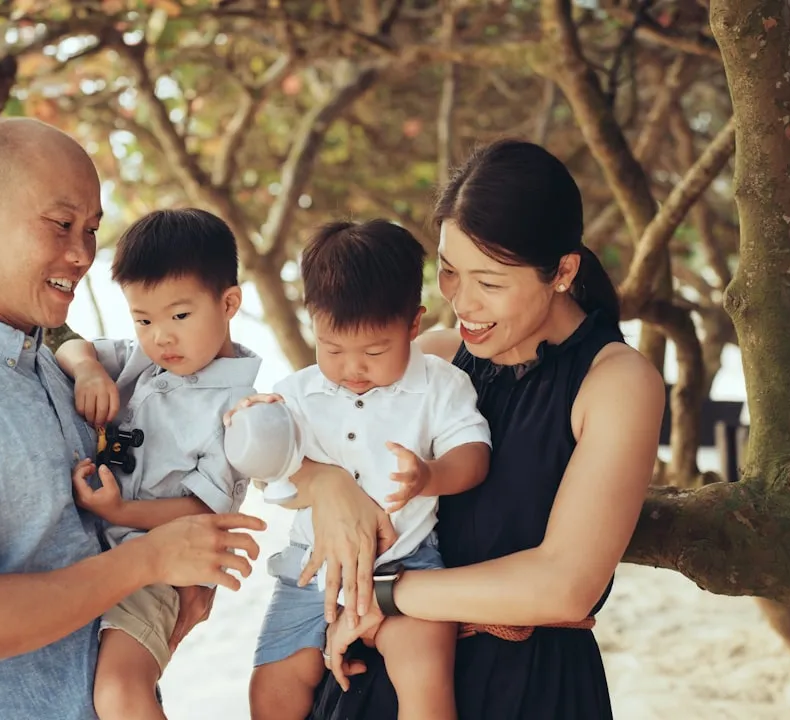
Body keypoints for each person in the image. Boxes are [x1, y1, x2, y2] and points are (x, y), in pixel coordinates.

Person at [0, 117, 264, 720]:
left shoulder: (59, 371)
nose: (83, 253)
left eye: (90, 229)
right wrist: (153, 558)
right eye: (61, 224)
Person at [287, 140, 665, 719]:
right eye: (447, 271)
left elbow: (564, 585)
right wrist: (327, 484)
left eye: (489, 282)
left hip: (526, 688)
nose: (461, 303)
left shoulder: (615, 383)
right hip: (374, 676)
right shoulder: (433, 360)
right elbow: (297, 439)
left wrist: (384, 595)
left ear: (563, 271)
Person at [232, 220, 492, 720]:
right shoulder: (294, 395)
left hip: (409, 565)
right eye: (331, 348)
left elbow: (474, 454)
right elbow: (274, 477)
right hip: (311, 573)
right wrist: (249, 423)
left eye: (374, 352)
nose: (353, 368)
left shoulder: (440, 385)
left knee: (424, 672)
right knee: (271, 690)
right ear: (312, 321)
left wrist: (432, 475)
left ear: (413, 326)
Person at [54, 208, 261, 719]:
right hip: (98, 558)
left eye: (179, 317)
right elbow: (71, 346)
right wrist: (89, 374)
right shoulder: (141, 359)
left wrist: (121, 512)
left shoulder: (240, 412)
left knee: (121, 692)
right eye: (143, 320)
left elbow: (199, 508)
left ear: (229, 302)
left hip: (163, 567)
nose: (161, 337)